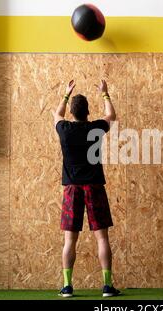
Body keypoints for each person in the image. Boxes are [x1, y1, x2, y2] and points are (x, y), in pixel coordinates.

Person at [51, 79, 120, 298]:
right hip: (94, 187)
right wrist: (105, 94)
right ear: (88, 112)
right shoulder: (95, 128)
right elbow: (112, 116)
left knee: (69, 240)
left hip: (72, 189)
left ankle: (67, 286)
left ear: (72, 112)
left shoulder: (64, 129)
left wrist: (65, 94)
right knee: (102, 239)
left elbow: (56, 114)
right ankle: (107, 286)